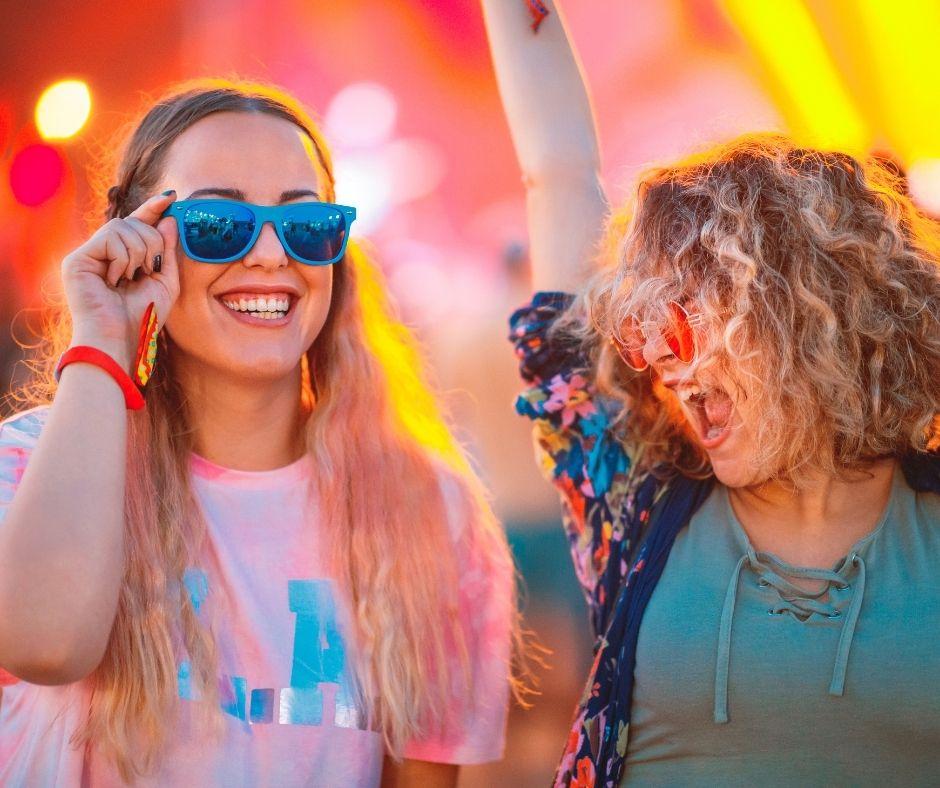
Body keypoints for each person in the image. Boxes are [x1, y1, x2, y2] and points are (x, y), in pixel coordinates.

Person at [0, 80, 516, 787]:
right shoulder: (31, 463)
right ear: (136, 238)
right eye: (219, 223)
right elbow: (44, 645)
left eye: (307, 226)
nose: (273, 254)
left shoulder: (428, 509)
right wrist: (101, 338)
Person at [483, 1, 940, 785]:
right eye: (647, 334)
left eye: (690, 326)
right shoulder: (636, 503)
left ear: (808, 316)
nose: (668, 366)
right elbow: (557, 173)